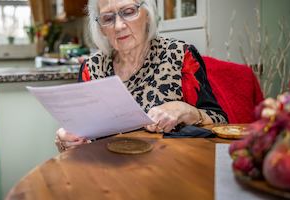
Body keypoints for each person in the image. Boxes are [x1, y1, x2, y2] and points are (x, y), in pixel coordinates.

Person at [55, 0, 228, 152]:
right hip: (109, 172)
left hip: (172, 168)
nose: (118, 26)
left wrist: (185, 110)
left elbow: (220, 122)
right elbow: (83, 133)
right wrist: (68, 141)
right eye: (108, 18)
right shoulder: (91, 69)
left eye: (128, 12)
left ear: (148, 14)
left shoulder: (179, 56)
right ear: (101, 29)